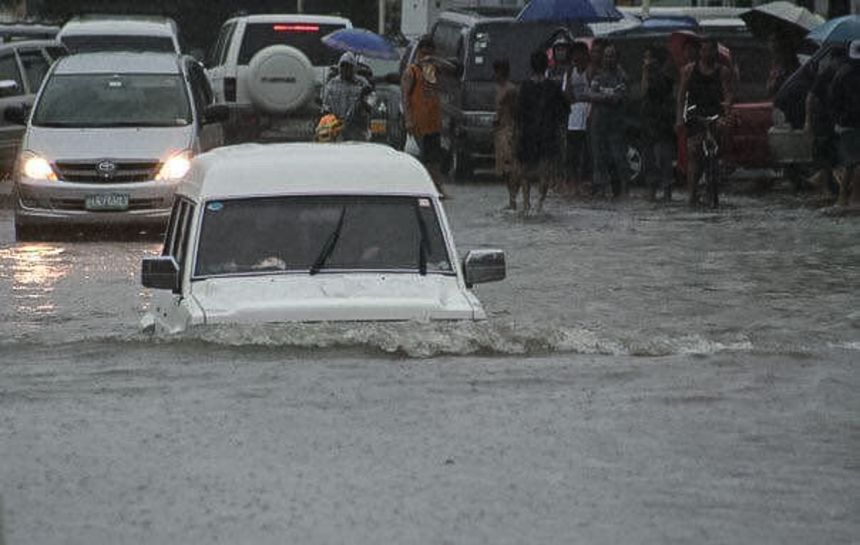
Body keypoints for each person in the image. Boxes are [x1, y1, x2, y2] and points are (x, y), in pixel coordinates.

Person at [676, 36, 733, 207]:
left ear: (715, 51)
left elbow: (728, 94)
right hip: (695, 115)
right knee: (694, 151)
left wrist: (728, 106)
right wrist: (679, 118)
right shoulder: (688, 70)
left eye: (710, 50)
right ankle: (692, 194)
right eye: (703, 50)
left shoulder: (723, 72)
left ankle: (724, 164)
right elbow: (681, 96)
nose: (706, 53)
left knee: (722, 136)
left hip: (715, 114)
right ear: (700, 52)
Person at [401, 35, 457, 196]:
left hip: (433, 122)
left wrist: (434, 60)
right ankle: (420, 189)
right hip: (418, 124)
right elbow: (405, 97)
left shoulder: (432, 70)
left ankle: (438, 188)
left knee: (435, 159)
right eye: (423, 53)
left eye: (429, 53)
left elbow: (452, 69)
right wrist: (408, 120)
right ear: (418, 52)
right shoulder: (411, 72)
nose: (425, 56)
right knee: (420, 159)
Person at [515, 49, 568, 212]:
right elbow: (563, 111)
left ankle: (525, 203)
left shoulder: (524, 87)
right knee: (544, 172)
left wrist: (516, 134)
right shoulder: (553, 87)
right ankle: (540, 204)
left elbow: (518, 114)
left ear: (531, 66)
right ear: (546, 65)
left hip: (528, 134)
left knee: (525, 172)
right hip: (547, 134)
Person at [805, 47, 847, 200]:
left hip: (833, 120)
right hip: (824, 120)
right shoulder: (827, 73)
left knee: (831, 157)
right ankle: (822, 186)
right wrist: (808, 121)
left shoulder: (842, 72)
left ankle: (822, 185)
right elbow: (811, 96)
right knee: (826, 156)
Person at [588, 42, 629, 199]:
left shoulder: (622, 77)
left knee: (618, 159)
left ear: (617, 58)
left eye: (611, 56)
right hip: (598, 125)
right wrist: (608, 96)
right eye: (606, 56)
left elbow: (620, 97)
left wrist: (603, 96)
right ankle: (600, 191)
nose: (608, 59)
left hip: (616, 125)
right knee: (599, 159)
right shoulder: (598, 76)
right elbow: (591, 95)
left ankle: (623, 191)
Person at [640, 45, 676, 202]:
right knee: (650, 159)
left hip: (663, 123)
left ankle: (667, 191)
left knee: (664, 158)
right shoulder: (648, 75)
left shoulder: (665, 78)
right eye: (645, 58)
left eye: (648, 57)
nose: (646, 61)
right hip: (649, 123)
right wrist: (645, 72)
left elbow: (655, 91)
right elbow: (643, 92)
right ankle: (651, 191)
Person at [828, 39, 860, 208]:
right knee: (857, 163)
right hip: (855, 124)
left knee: (849, 163)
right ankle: (856, 199)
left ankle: (842, 199)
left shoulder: (841, 73)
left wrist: (838, 119)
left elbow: (832, 100)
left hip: (845, 124)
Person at [321, 52, 371, 141]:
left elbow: (370, 106)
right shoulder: (332, 84)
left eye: (349, 66)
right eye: (343, 66)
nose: (346, 69)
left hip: (357, 128)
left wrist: (364, 100)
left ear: (354, 68)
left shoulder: (362, 84)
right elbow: (326, 106)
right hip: (335, 126)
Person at [562, 41, 591, 196]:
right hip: (573, 117)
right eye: (576, 54)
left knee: (586, 152)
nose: (579, 57)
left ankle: (585, 182)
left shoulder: (591, 71)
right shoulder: (569, 72)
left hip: (588, 115)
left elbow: (592, 91)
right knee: (572, 153)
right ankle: (572, 183)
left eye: (582, 53)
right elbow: (567, 96)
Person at [493, 59, 519, 209]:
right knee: (503, 169)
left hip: (509, 130)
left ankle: (513, 199)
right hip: (499, 130)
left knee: (510, 167)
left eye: (498, 71)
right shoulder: (499, 88)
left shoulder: (511, 90)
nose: (495, 75)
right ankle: (512, 199)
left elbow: (516, 111)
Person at [766, 33, 800, 99]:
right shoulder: (775, 60)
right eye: (770, 41)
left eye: (773, 41)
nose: (770, 44)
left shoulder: (787, 60)